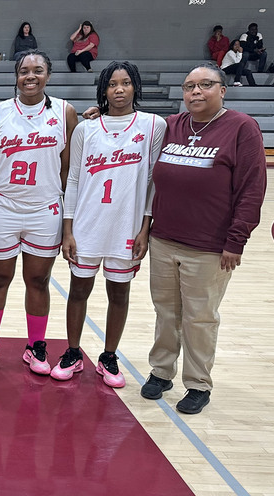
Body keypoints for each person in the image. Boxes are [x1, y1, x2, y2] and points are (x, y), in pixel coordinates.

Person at [139, 62, 266, 414]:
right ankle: (161, 371)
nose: (196, 92)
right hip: (163, 239)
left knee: (200, 316)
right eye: (189, 86)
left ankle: (197, 383)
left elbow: (252, 190)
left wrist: (235, 241)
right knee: (166, 312)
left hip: (210, 246)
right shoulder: (173, 126)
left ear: (222, 90)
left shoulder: (241, 128)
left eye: (205, 85)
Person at [52, 61, 166, 388]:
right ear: (103, 90)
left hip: (126, 227)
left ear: (135, 88)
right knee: (79, 290)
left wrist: (145, 227)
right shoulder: (86, 129)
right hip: (87, 224)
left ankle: (108, 356)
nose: (118, 89)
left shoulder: (153, 125)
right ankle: (73, 353)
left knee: (119, 293)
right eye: (112, 84)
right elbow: (72, 180)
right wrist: (68, 229)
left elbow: (151, 181)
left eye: (125, 83)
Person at [0, 50, 78, 375]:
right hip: (2, 205)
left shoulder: (65, 113)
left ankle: (36, 346)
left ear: (48, 75)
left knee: (38, 280)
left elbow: (68, 172)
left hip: (44, 208)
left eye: (38, 70)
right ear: (16, 76)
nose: (30, 76)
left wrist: (66, 218)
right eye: (24, 71)